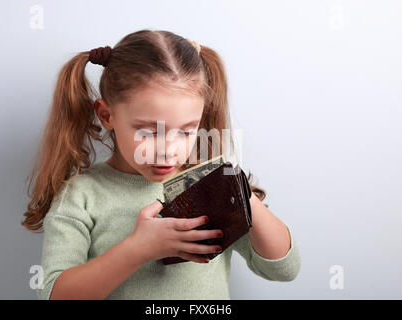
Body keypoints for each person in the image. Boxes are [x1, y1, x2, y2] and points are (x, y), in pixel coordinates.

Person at [21, 29, 301, 300]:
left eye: (185, 131)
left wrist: (240, 193)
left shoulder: (208, 185)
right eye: (150, 132)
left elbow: (282, 268)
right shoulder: (82, 196)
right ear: (107, 115)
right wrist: (137, 249)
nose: (168, 150)